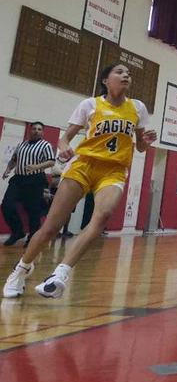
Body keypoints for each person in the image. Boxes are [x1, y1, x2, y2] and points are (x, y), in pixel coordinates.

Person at [3, 64, 156, 299]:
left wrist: (145, 140)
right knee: (50, 228)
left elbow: (142, 148)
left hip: (114, 170)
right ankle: (21, 269)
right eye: (120, 72)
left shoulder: (137, 107)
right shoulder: (90, 105)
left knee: (102, 216)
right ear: (106, 80)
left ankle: (60, 274)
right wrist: (64, 150)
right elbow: (64, 139)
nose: (126, 75)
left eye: (128, 73)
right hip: (84, 165)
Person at [2, 122, 55, 246]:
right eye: (34, 129)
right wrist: (8, 169)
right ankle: (17, 231)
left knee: (33, 210)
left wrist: (37, 166)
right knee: (6, 205)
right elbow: (14, 159)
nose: (36, 131)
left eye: (39, 129)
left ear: (43, 132)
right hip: (18, 179)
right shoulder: (21, 144)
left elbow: (51, 161)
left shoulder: (45, 145)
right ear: (30, 130)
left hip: (35, 179)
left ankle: (32, 237)